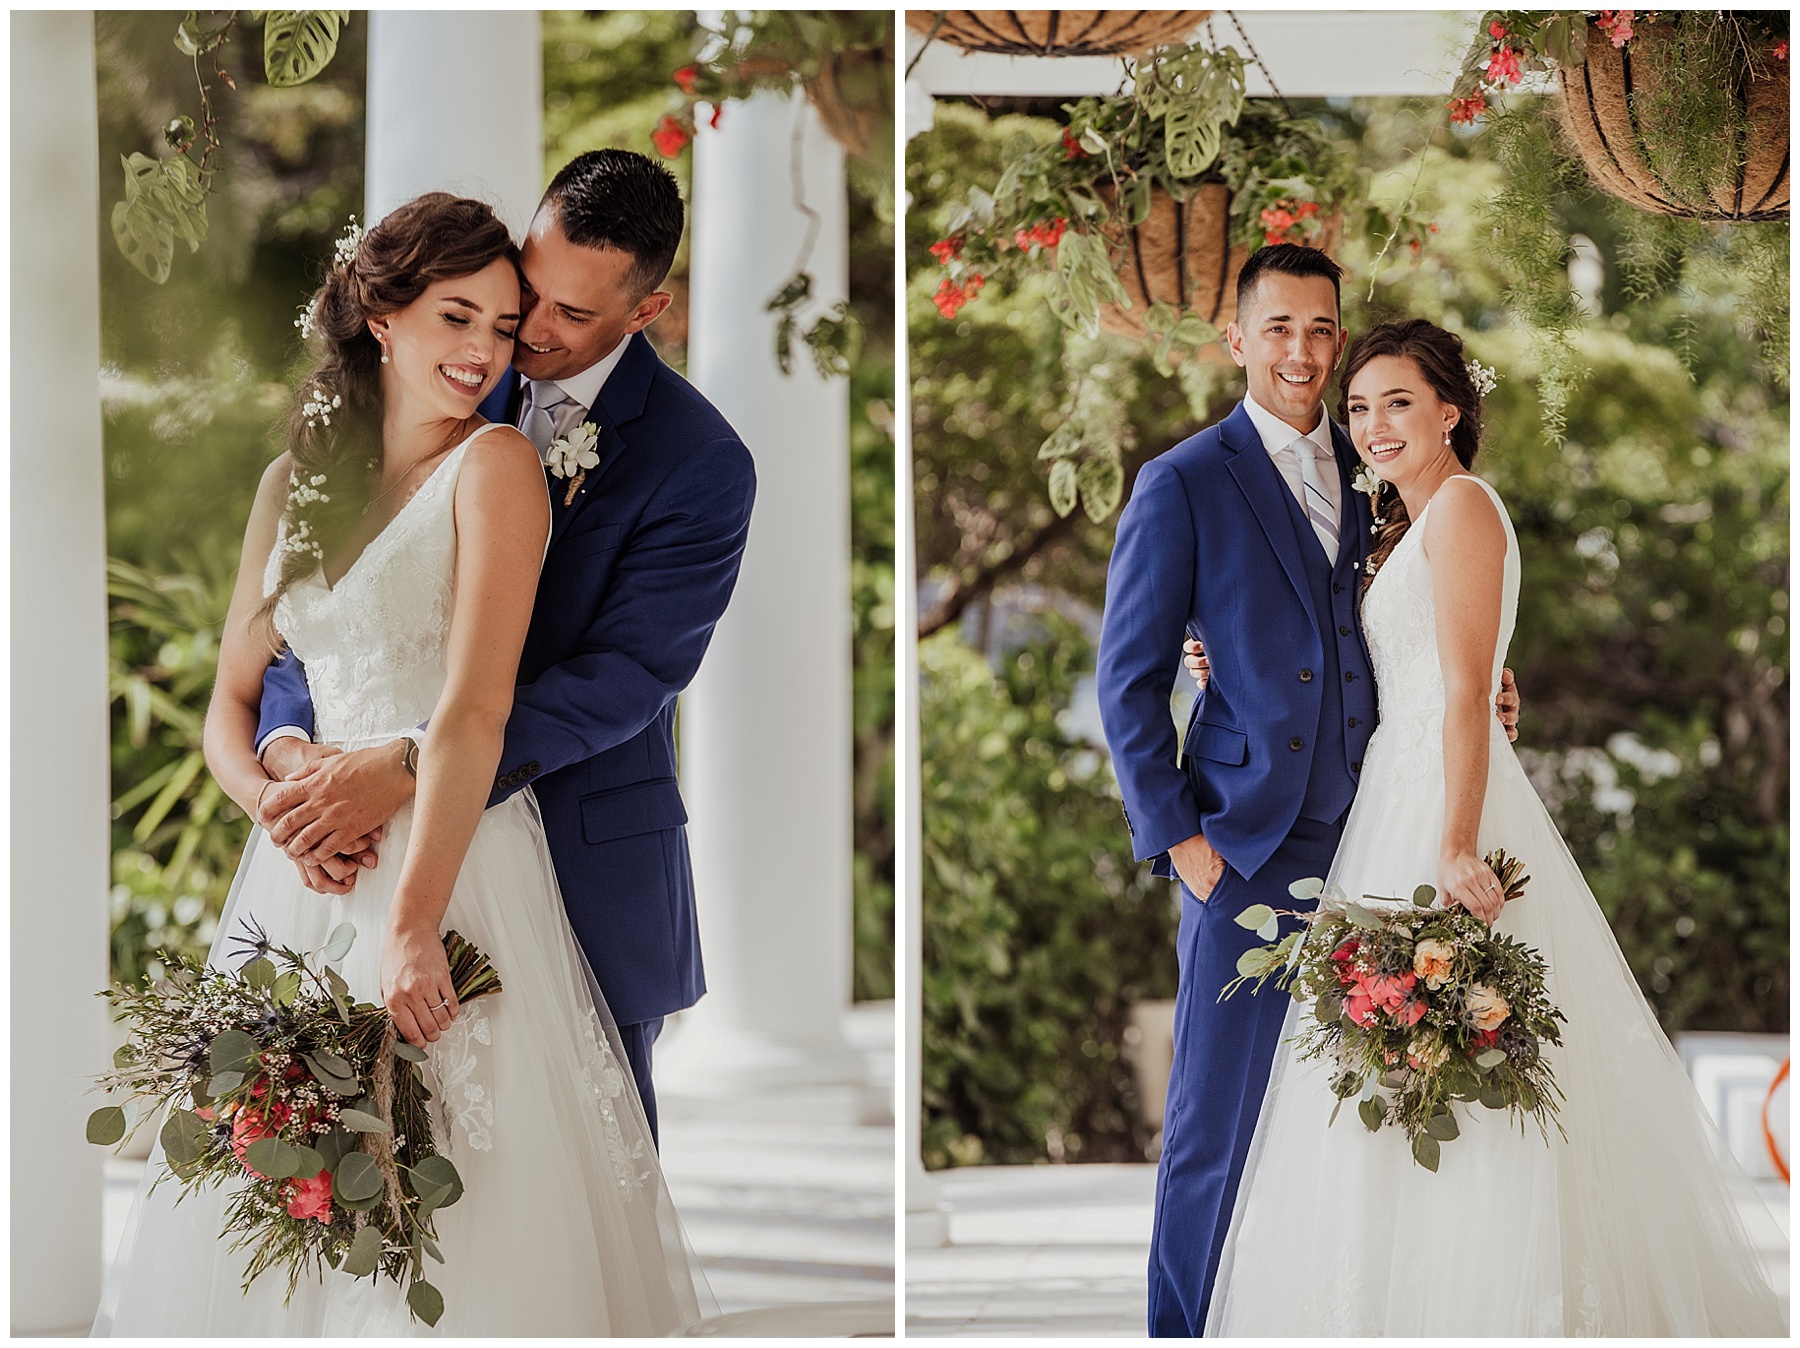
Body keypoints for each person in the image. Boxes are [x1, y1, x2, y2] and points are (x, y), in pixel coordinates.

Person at [97, 193, 715, 1335]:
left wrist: (413, 921)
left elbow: (482, 713)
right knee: (287, 1176)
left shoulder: (498, 467)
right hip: (307, 865)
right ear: (380, 317)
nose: (490, 348)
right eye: (457, 316)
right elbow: (233, 704)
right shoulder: (294, 484)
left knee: (472, 1191)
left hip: (463, 854)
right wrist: (283, 805)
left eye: (507, 320)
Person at [1206, 319, 1786, 1335]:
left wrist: (1458, 841)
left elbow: (1468, 691)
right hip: (1395, 789)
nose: (1374, 425)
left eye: (1397, 402)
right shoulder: (1400, 525)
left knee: (1464, 1046)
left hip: (1440, 798)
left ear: (1450, 410)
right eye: (1358, 407)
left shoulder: (1465, 508)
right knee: (1396, 1053)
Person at [251, 150, 756, 1143]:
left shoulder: (700, 462)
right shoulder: (450, 368)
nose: (529, 327)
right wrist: (292, 751)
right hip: (363, 849)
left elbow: (628, 679)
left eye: (572, 313)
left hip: (577, 854)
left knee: (578, 1195)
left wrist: (405, 763)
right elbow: (329, 602)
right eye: (532, 286)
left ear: (644, 313)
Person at [1094, 245, 1518, 1336]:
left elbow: (1422, 639)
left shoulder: (1384, 465)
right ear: (1236, 339)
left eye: (1321, 328)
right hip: (1244, 847)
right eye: (1278, 327)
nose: (1302, 350)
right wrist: (1180, 841)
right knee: (1216, 1125)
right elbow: (1127, 678)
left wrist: (1489, 694)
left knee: (1357, 1127)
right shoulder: (1181, 481)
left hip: (1379, 840)